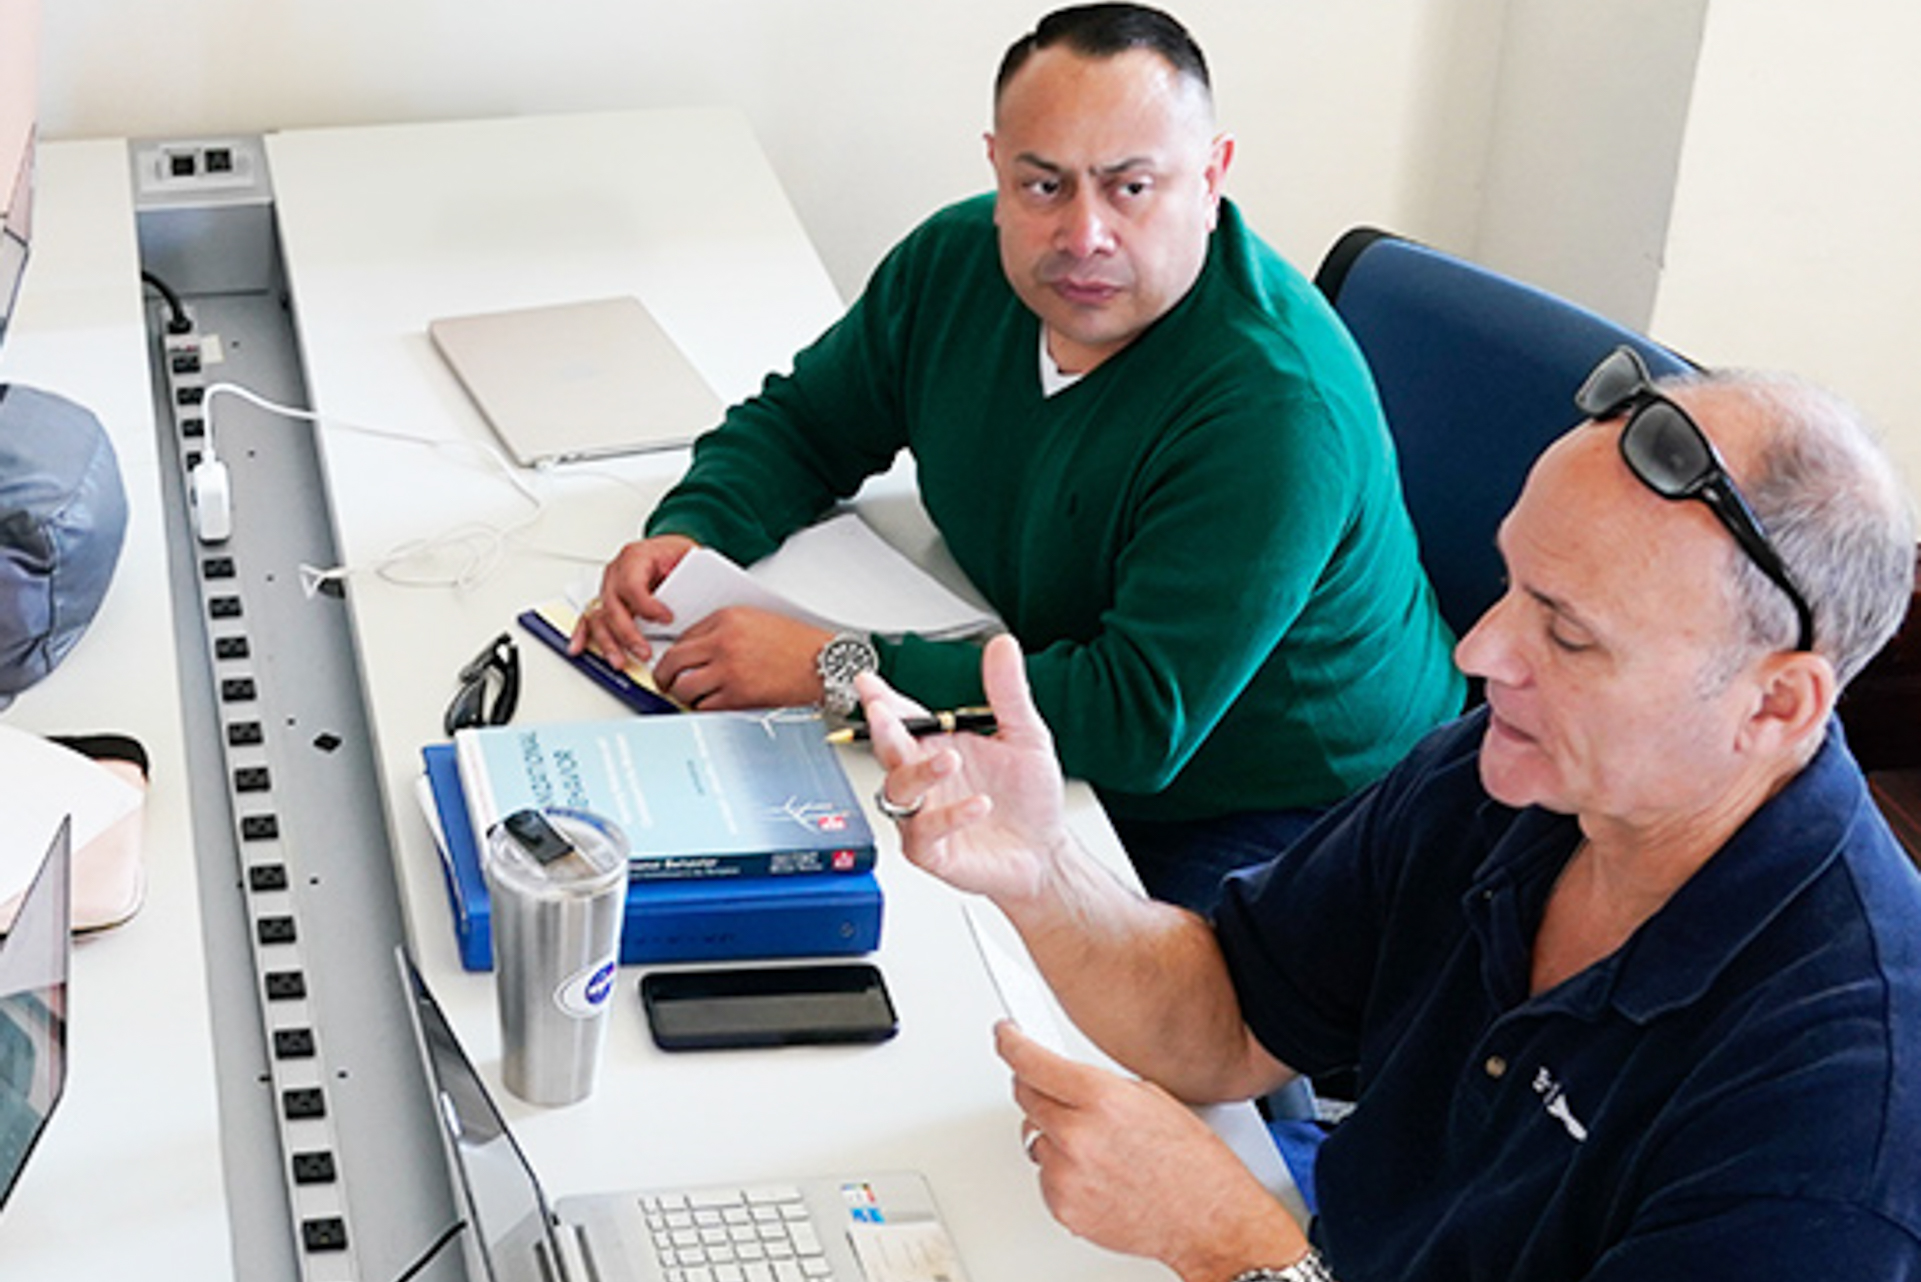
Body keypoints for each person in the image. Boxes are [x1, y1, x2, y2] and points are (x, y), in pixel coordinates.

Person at [856, 349, 1921, 1282]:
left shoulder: (1838, 1127)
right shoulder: (1528, 771)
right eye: (1511, 585)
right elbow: (1233, 1020)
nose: (1480, 652)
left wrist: (1234, 1245)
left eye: (1568, 635)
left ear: (1774, 704)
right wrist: (1046, 872)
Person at [572, 3, 1463, 912]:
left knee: (984, 972)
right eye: (1044, 187)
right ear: (997, 169)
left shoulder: (1275, 407)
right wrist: (692, 532)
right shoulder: (956, 264)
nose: (1084, 236)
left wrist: (836, 670)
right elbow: (807, 423)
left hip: (1287, 810)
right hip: (1048, 688)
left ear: (1211, 177)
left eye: (1131, 187)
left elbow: (1131, 719)